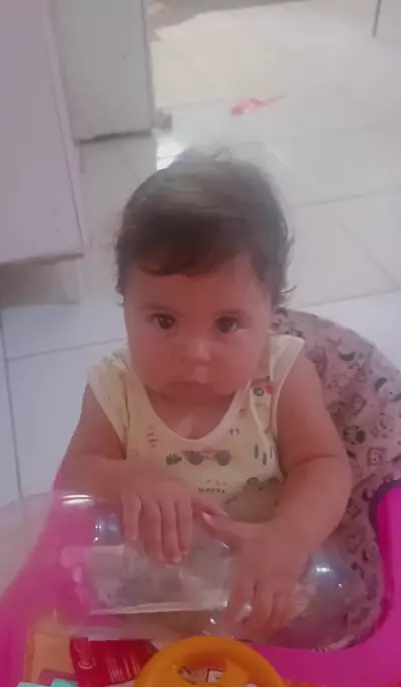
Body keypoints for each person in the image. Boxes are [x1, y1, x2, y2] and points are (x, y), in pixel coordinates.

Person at [59, 152, 351, 635]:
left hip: (264, 589)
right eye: (164, 320)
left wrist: (289, 536)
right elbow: (75, 475)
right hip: (153, 596)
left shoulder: (282, 375)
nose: (194, 353)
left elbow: (324, 465)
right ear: (125, 303)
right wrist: (131, 479)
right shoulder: (116, 387)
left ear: (271, 312)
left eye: (227, 324)